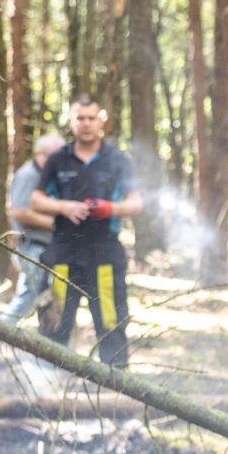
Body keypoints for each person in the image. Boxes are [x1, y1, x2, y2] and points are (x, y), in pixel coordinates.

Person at [30, 94, 144, 368]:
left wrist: (110, 208)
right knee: (53, 324)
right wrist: (65, 207)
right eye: (80, 118)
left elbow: (136, 203)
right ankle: (46, 391)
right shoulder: (59, 158)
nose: (86, 124)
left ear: (101, 121)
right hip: (63, 256)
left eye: (91, 118)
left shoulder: (117, 159)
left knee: (111, 323)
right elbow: (36, 200)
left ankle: (117, 393)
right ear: (72, 122)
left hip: (104, 256)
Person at [0, 133, 66, 380]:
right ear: (40, 155)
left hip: (44, 249)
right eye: (56, 156)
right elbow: (20, 212)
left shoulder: (48, 178)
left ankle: (4, 348)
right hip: (32, 248)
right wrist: (59, 222)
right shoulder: (28, 175)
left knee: (33, 299)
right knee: (34, 300)